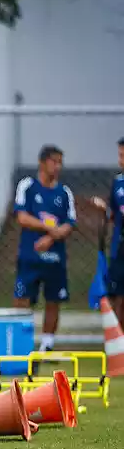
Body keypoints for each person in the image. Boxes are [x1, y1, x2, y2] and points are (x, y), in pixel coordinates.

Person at [13, 145, 76, 366]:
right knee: (22, 300)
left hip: (55, 259)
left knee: (53, 301)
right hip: (30, 257)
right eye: (53, 161)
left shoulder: (64, 193)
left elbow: (69, 223)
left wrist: (52, 238)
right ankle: (22, 345)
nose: (57, 166)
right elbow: (22, 217)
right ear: (42, 162)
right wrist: (49, 229)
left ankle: (47, 346)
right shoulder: (28, 186)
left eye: (60, 162)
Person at [92, 138, 124, 326]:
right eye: (120, 155)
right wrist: (104, 209)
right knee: (118, 296)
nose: (121, 159)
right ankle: (120, 344)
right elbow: (113, 215)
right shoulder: (118, 183)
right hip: (120, 247)